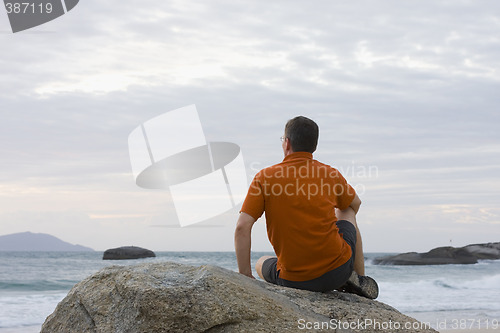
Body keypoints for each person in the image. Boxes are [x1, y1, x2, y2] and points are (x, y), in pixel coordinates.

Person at [234, 116, 378, 299]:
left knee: (260, 262)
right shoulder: (330, 174)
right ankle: (359, 279)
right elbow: (355, 203)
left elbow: (242, 227)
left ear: (287, 143)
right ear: (314, 146)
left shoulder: (264, 177)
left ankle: (257, 271)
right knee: (347, 208)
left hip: (293, 280)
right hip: (336, 273)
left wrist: (244, 276)